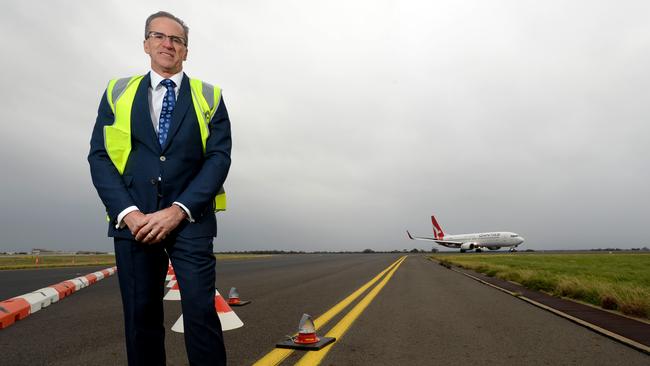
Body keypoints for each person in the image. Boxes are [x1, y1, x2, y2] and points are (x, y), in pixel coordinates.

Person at [88, 11, 230, 366]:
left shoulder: (209, 96)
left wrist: (179, 209)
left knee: (201, 313)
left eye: (176, 39)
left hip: (191, 222)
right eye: (159, 36)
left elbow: (218, 159)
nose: (168, 44)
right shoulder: (117, 92)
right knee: (141, 320)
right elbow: (100, 156)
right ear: (146, 44)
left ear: (186, 50)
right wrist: (128, 213)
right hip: (134, 224)